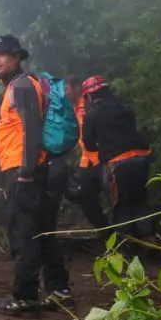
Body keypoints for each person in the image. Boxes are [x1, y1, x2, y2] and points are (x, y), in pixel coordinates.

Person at [0, 34, 71, 316]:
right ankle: (59, 289)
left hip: (24, 170)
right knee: (43, 230)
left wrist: (25, 172)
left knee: (23, 233)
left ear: (17, 57)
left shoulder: (21, 86)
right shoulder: (17, 86)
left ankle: (25, 297)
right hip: (30, 169)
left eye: (2, 54)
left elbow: (31, 128)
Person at [80, 76, 154, 239]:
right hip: (141, 159)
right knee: (140, 203)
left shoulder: (92, 114)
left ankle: (127, 250)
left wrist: (103, 150)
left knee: (122, 208)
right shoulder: (124, 106)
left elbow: (89, 143)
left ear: (89, 96)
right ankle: (150, 245)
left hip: (118, 163)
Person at [64, 76, 109, 231]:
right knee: (83, 197)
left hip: (103, 159)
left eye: (67, 89)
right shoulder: (74, 109)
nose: (65, 93)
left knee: (113, 198)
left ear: (77, 88)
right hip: (87, 161)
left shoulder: (90, 105)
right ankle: (106, 234)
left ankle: (124, 238)